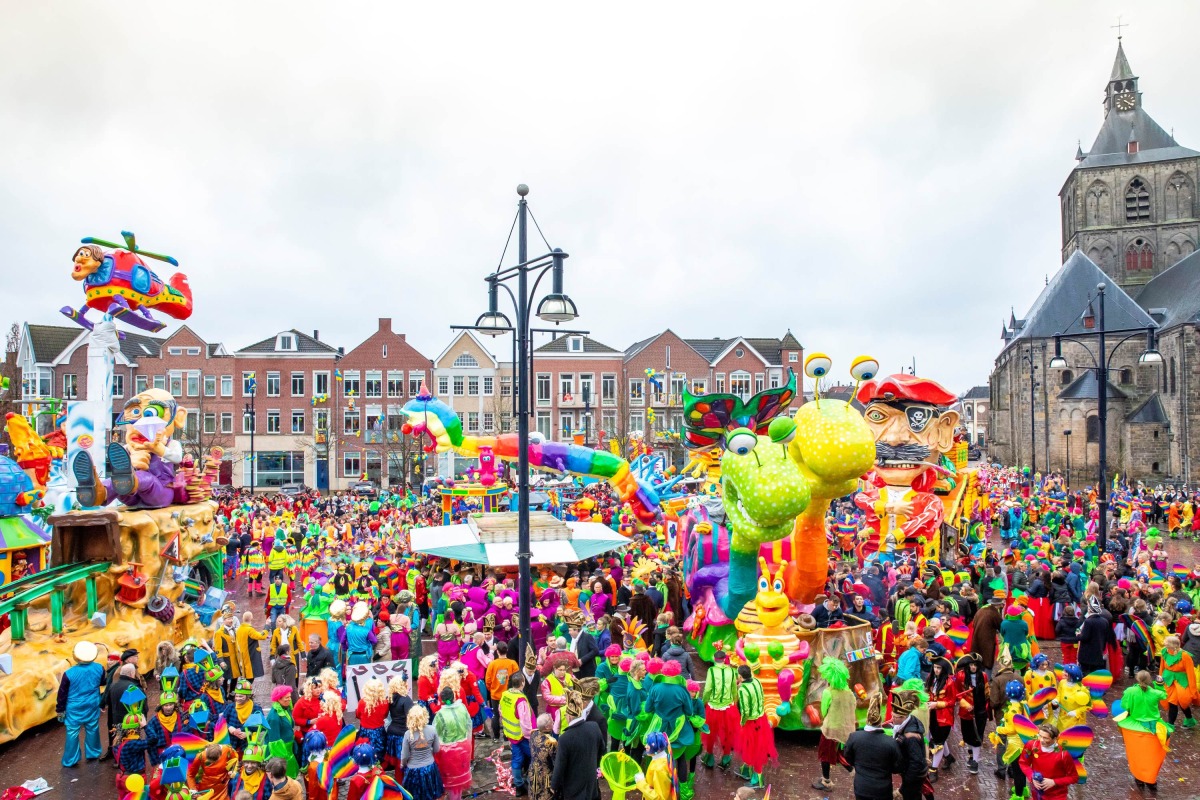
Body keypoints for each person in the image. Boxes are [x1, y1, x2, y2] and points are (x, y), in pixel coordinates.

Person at [1116, 670, 1171, 790]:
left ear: (1137, 679)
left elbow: (1125, 706)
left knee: (1136, 754)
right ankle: (1151, 780)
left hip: (1134, 728)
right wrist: (1160, 684)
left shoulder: (1130, 691)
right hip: (1154, 730)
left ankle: (1139, 778)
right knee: (1152, 756)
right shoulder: (1155, 693)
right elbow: (1164, 695)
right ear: (1149, 680)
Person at [843, 694, 901, 800]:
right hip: (883, 790)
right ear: (880, 720)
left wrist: (858, 764)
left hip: (861, 788)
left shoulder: (854, 737)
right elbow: (897, 767)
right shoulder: (891, 742)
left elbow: (847, 757)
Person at [58, 641, 105, 767]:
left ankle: (70, 759)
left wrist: (60, 710)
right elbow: (102, 682)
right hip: (92, 703)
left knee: (72, 732)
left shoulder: (69, 673)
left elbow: (62, 693)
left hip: (74, 707)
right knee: (92, 728)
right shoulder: (99, 668)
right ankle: (93, 753)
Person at [552, 689, 605, 800]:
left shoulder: (565, 738)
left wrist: (554, 786)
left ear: (569, 716)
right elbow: (602, 749)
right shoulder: (594, 726)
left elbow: (560, 766)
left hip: (573, 789)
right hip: (591, 784)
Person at [700, 645, 739, 771]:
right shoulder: (732, 671)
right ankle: (726, 758)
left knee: (710, 733)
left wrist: (704, 702)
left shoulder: (711, 671)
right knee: (728, 733)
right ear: (724, 659)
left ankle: (710, 758)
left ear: (715, 659)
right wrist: (735, 704)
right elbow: (734, 690)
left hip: (713, 707)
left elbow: (707, 690)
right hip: (728, 707)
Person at [1016, 724, 1080, 800]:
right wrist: (1032, 776)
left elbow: (1074, 777)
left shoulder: (1063, 754)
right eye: (1040, 736)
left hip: (1056, 795)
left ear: (1055, 738)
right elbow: (1023, 763)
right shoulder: (1031, 745)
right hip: (1037, 792)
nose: (1041, 740)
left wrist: (1054, 782)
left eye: (1046, 738)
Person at [433, 686, 474, 800]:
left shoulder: (440, 714)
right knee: (459, 782)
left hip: (448, 752)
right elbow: (469, 725)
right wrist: (468, 744)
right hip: (464, 747)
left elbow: (435, 733)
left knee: (451, 782)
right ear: (454, 696)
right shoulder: (462, 707)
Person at [891, 687, 929, 800]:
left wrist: (904, 788)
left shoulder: (911, 737)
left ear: (903, 717)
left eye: (894, 717)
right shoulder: (910, 720)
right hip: (912, 774)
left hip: (914, 777)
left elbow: (916, 764)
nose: (892, 719)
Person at [500, 671, 534, 796]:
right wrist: (530, 736)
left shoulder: (505, 695)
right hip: (521, 736)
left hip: (511, 734)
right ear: (522, 683)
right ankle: (530, 780)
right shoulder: (521, 700)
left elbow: (501, 711)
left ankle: (519, 785)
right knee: (533, 755)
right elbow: (525, 722)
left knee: (516, 759)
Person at [401, 705, 444, 800]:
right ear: (425, 716)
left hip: (413, 770)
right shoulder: (432, 730)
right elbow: (437, 749)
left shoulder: (408, 734)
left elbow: (405, 756)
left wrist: (402, 765)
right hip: (430, 768)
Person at [1159, 634, 1199, 727]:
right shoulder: (1165, 651)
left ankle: (1171, 724)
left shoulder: (1185, 656)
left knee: (1180, 701)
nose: (1164, 644)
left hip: (1181, 682)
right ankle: (1189, 720)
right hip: (1168, 680)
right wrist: (1160, 680)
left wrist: (1193, 689)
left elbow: (1190, 673)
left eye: (1166, 643)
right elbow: (1162, 666)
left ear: (1172, 645)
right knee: (1174, 702)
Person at [486, 641, 520, 741]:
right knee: (507, 715)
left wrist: (491, 689)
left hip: (495, 694)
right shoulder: (512, 663)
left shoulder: (492, 664)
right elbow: (517, 678)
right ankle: (507, 736)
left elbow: (487, 680)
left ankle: (496, 737)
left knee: (495, 715)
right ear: (507, 650)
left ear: (497, 651)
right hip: (508, 695)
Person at [383, 676, 414, 778]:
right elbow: (411, 717)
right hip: (403, 734)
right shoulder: (406, 700)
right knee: (404, 761)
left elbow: (385, 715)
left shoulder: (390, 699)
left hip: (392, 733)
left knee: (397, 763)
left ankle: (398, 781)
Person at [634, 731, 677, 800]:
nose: (645, 746)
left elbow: (659, 797)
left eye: (648, 745)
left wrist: (641, 783)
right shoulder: (665, 757)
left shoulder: (659, 769)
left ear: (657, 749)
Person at [529, 713, 558, 800]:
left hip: (533, 770)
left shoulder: (533, 733)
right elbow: (556, 761)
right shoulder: (551, 742)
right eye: (551, 721)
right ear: (547, 727)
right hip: (545, 775)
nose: (553, 722)